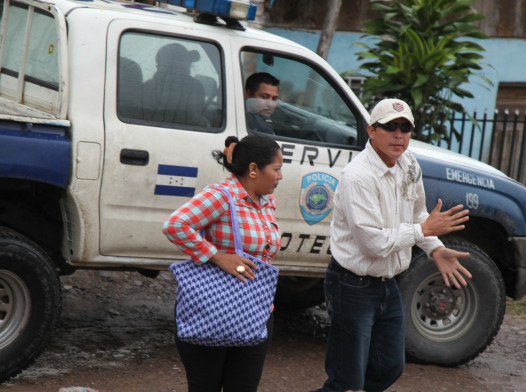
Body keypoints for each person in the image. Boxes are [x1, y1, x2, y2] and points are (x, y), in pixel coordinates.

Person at [312, 98, 472, 392]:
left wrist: (434, 248)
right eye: (390, 127)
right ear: (371, 130)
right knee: (347, 381)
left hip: (388, 283)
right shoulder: (358, 176)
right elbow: (374, 243)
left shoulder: (409, 163)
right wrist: (423, 230)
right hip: (351, 285)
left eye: (405, 128)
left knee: (389, 367)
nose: (399, 135)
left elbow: (418, 215)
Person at [162, 132, 283, 392]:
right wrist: (216, 256)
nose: (280, 176)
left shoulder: (267, 200)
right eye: (277, 169)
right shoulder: (221, 196)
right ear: (254, 169)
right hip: (210, 309)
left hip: (257, 311)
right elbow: (175, 225)